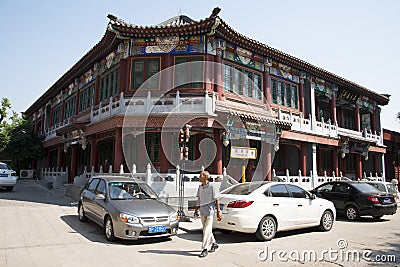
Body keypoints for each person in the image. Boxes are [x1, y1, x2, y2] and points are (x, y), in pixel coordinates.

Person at [193, 170, 222, 258]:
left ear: (205, 177)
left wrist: (218, 212)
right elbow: (199, 199)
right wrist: (196, 210)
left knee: (206, 230)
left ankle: (205, 249)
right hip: (202, 211)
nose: (199, 177)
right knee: (206, 230)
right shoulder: (200, 187)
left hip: (210, 212)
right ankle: (214, 243)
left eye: (200, 175)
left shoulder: (212, 187)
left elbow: (216, 199)